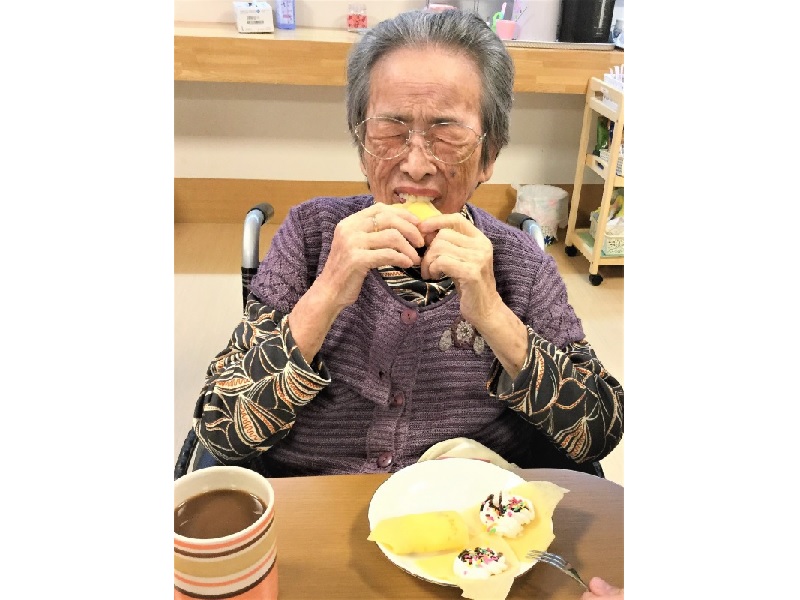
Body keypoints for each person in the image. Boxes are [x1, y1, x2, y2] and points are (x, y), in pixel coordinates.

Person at [190, 8, 623, 477]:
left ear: (489, 156)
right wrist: (327, 292)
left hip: (468, 512)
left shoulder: (521, 266)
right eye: (390, 131)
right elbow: (222, 431)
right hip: (312, 501)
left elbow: (597, 431)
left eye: (448, 133)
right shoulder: (310, 235)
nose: (416, 165)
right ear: (362, 147)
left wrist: (494, 316)